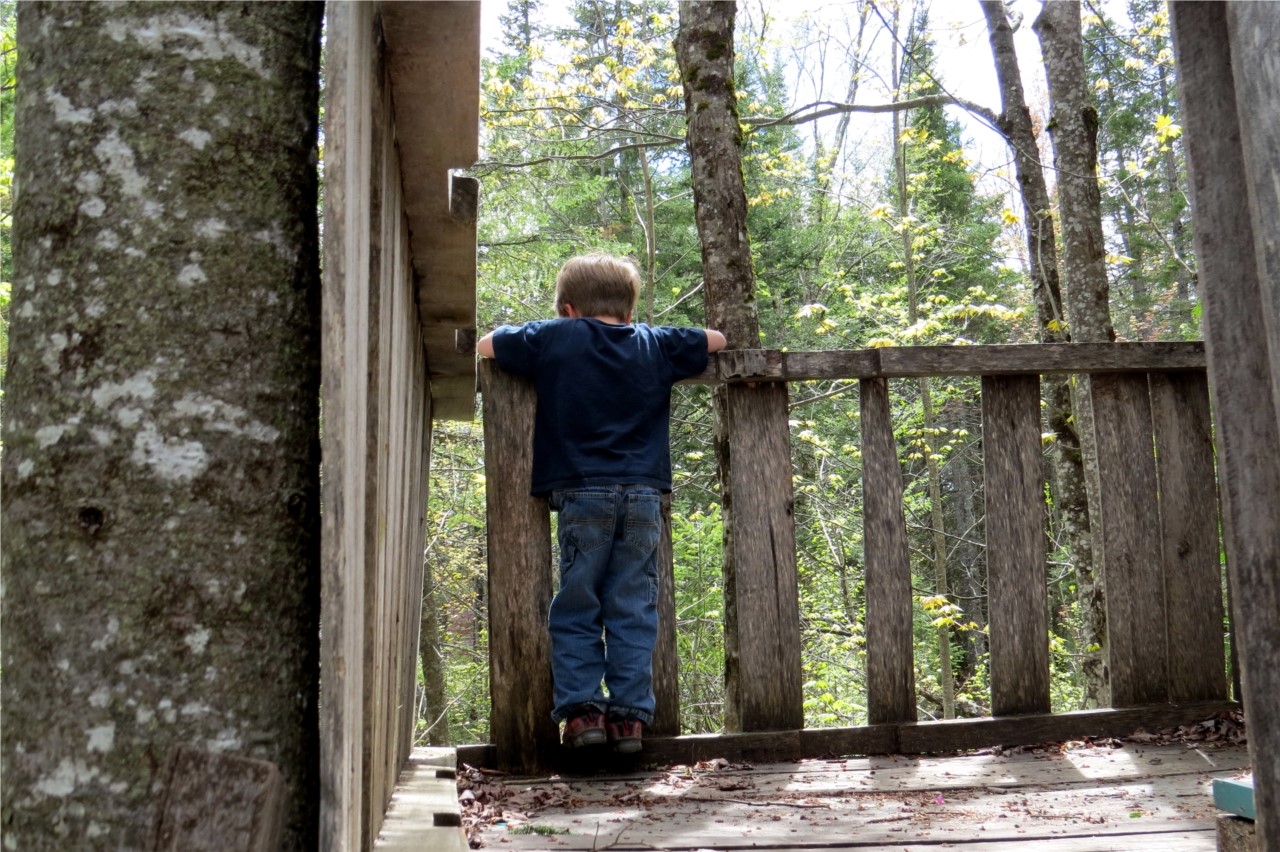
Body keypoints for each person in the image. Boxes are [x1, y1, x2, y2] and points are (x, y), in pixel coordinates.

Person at [477, 253, 727, 753]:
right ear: (630, 310)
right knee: (633, 607)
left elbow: (487, 345)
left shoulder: (554, 336)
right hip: (641, 495)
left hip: (581, 491)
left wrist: (550, 328)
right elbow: (716, 340)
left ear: (568, 308)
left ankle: (584, 715)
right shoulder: (653, 343)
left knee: (577, 605)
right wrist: (649, 332)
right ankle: (630, 722)